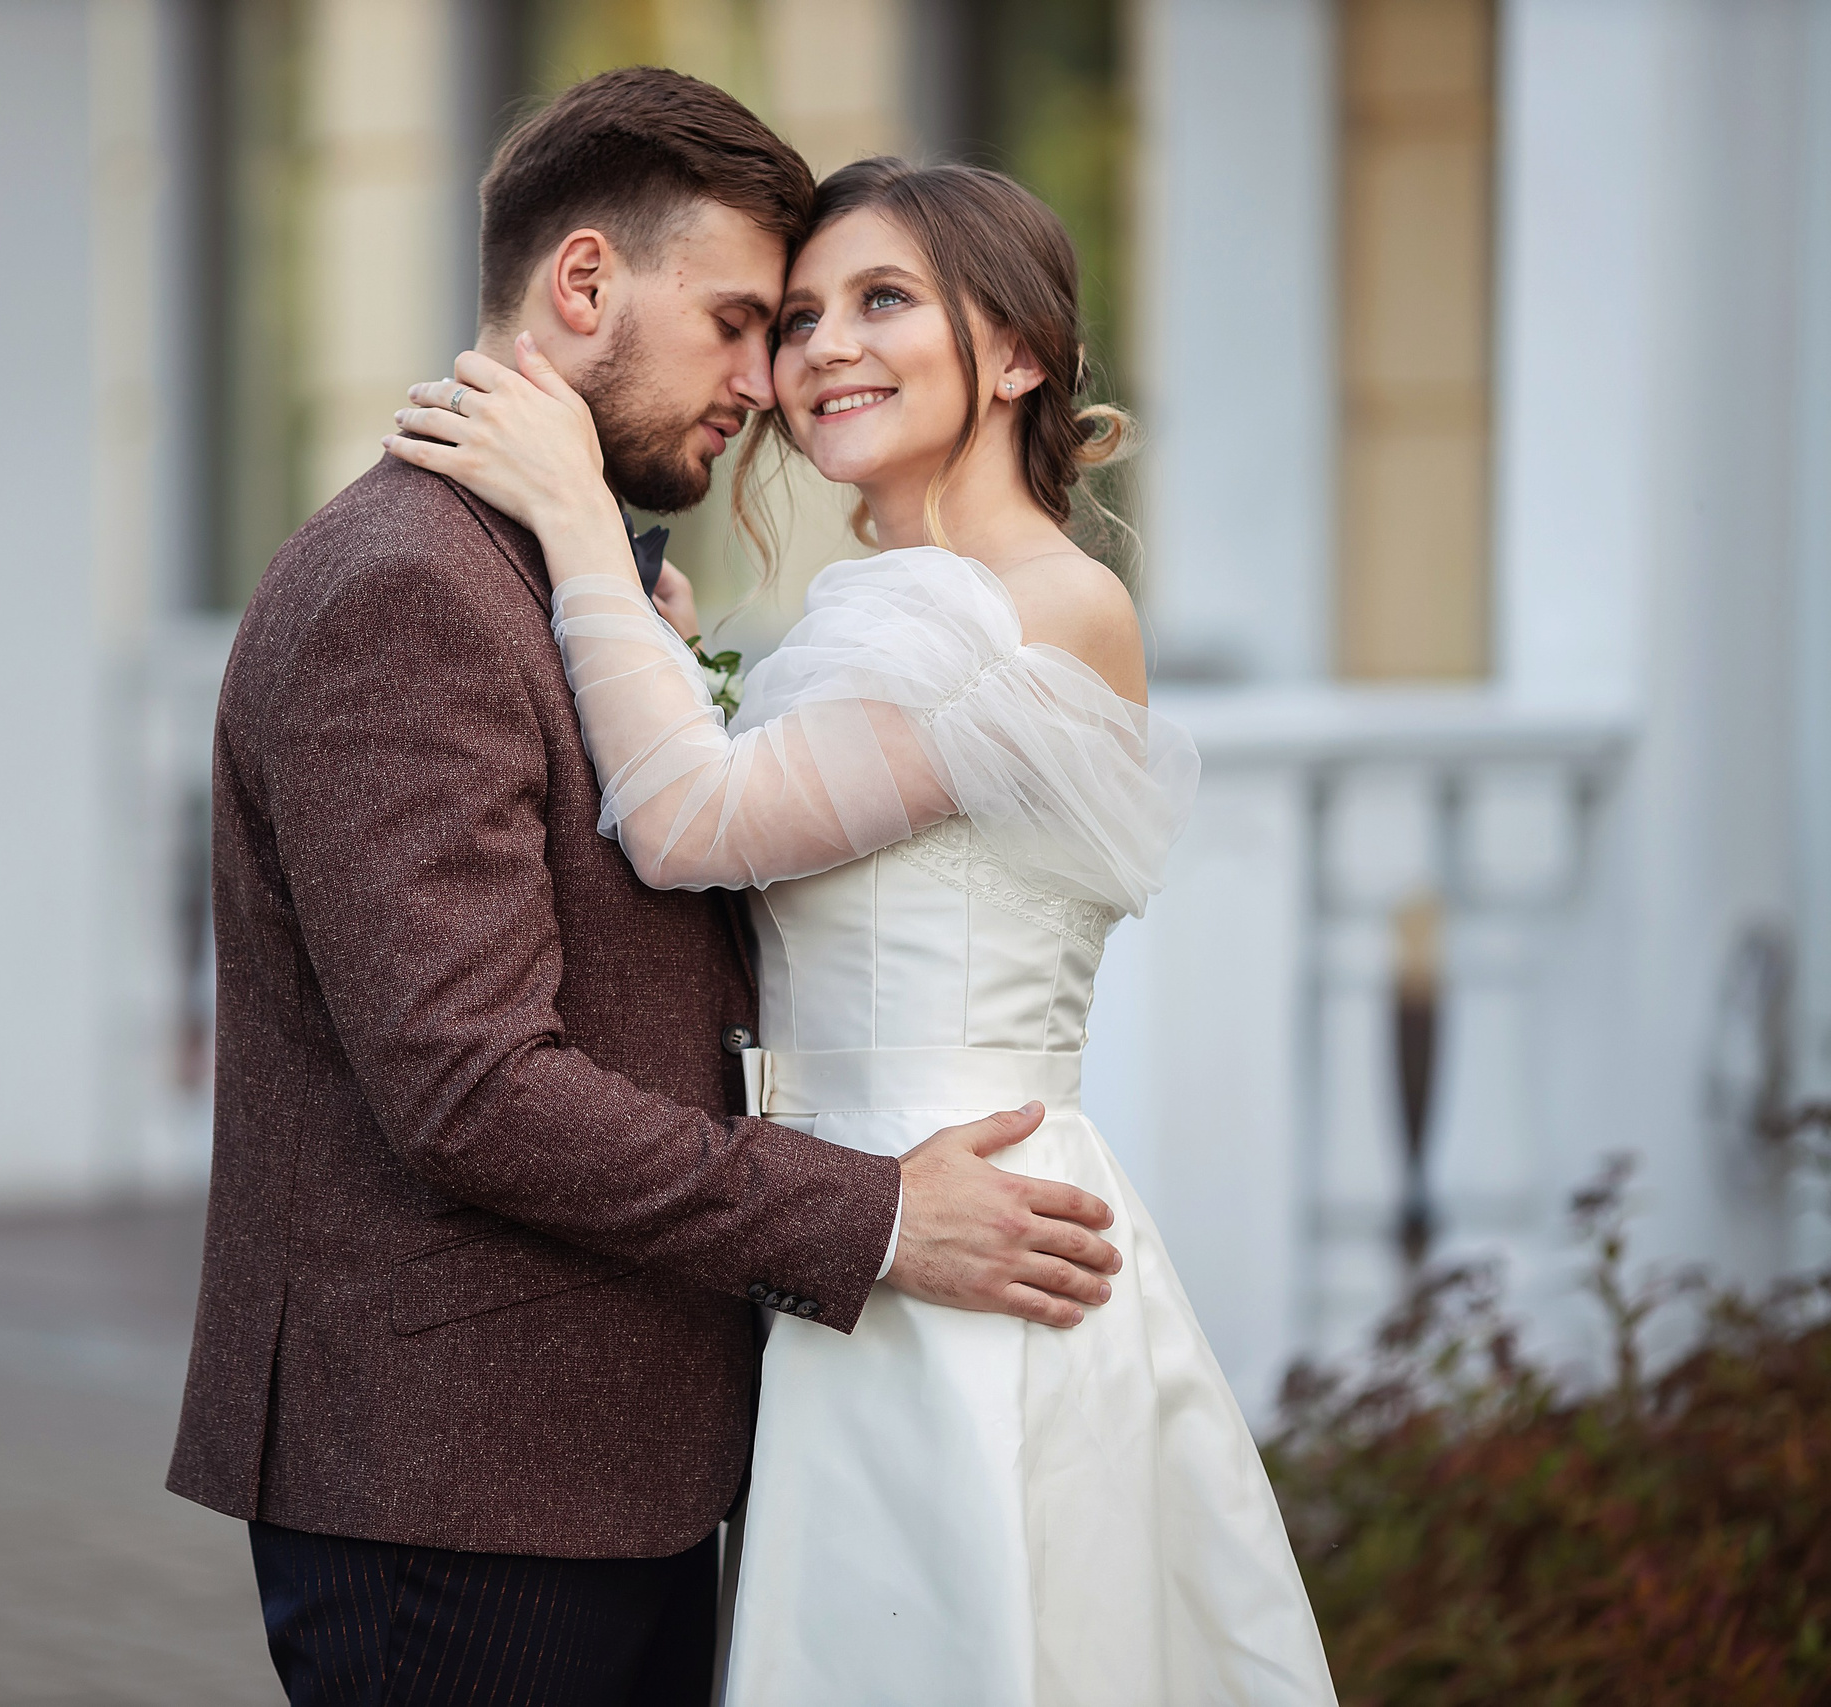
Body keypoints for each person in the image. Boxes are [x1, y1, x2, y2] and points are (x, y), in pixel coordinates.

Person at [169, 71, 1134, 1707]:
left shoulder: (551, 583)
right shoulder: (405, 589)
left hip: (609, 1461)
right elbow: (473, 1089)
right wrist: (880, 1214)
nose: (773, 381)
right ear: (589, 284)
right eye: (749, 321)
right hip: (464, 1488)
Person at [383, 156, 1337, 1702]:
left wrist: (575, 527)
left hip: (962, 1228)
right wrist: (665, 651)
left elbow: (691, 825)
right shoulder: (886, 604)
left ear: (1015, 349)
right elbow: (760, 824)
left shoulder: (1034, 603)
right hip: (845, 1229)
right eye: (802, 313)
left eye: (883, 300)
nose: (819, 347)